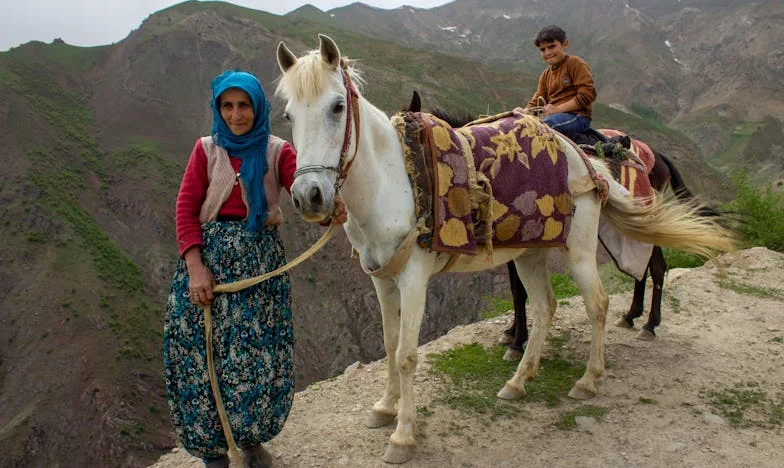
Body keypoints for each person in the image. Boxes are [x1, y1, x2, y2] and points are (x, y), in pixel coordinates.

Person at [163, 69, 345, 468]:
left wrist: (329, 210)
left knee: (257, 359)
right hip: (209, 269)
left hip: (259, 269)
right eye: (227, 106)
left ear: (257, 107)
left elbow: (303, 192)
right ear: (218, 108)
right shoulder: (206, 150)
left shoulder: (277, 151)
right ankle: (213, 451)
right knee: (201, 357)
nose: (235, 115)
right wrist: (195, 268)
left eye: (243, 105)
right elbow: (185, 210)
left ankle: (250, 442)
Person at [522, 25, 596, 139]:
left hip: (578, 116)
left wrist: (556, 109)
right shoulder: (545, 75)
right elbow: (538, 100)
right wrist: (523, 112)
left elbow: (587, 95)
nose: (547, 52)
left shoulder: (575, 64)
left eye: (552, 47)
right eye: (543, 49)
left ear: (565, 44)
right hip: (555, 117)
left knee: (545, 127)